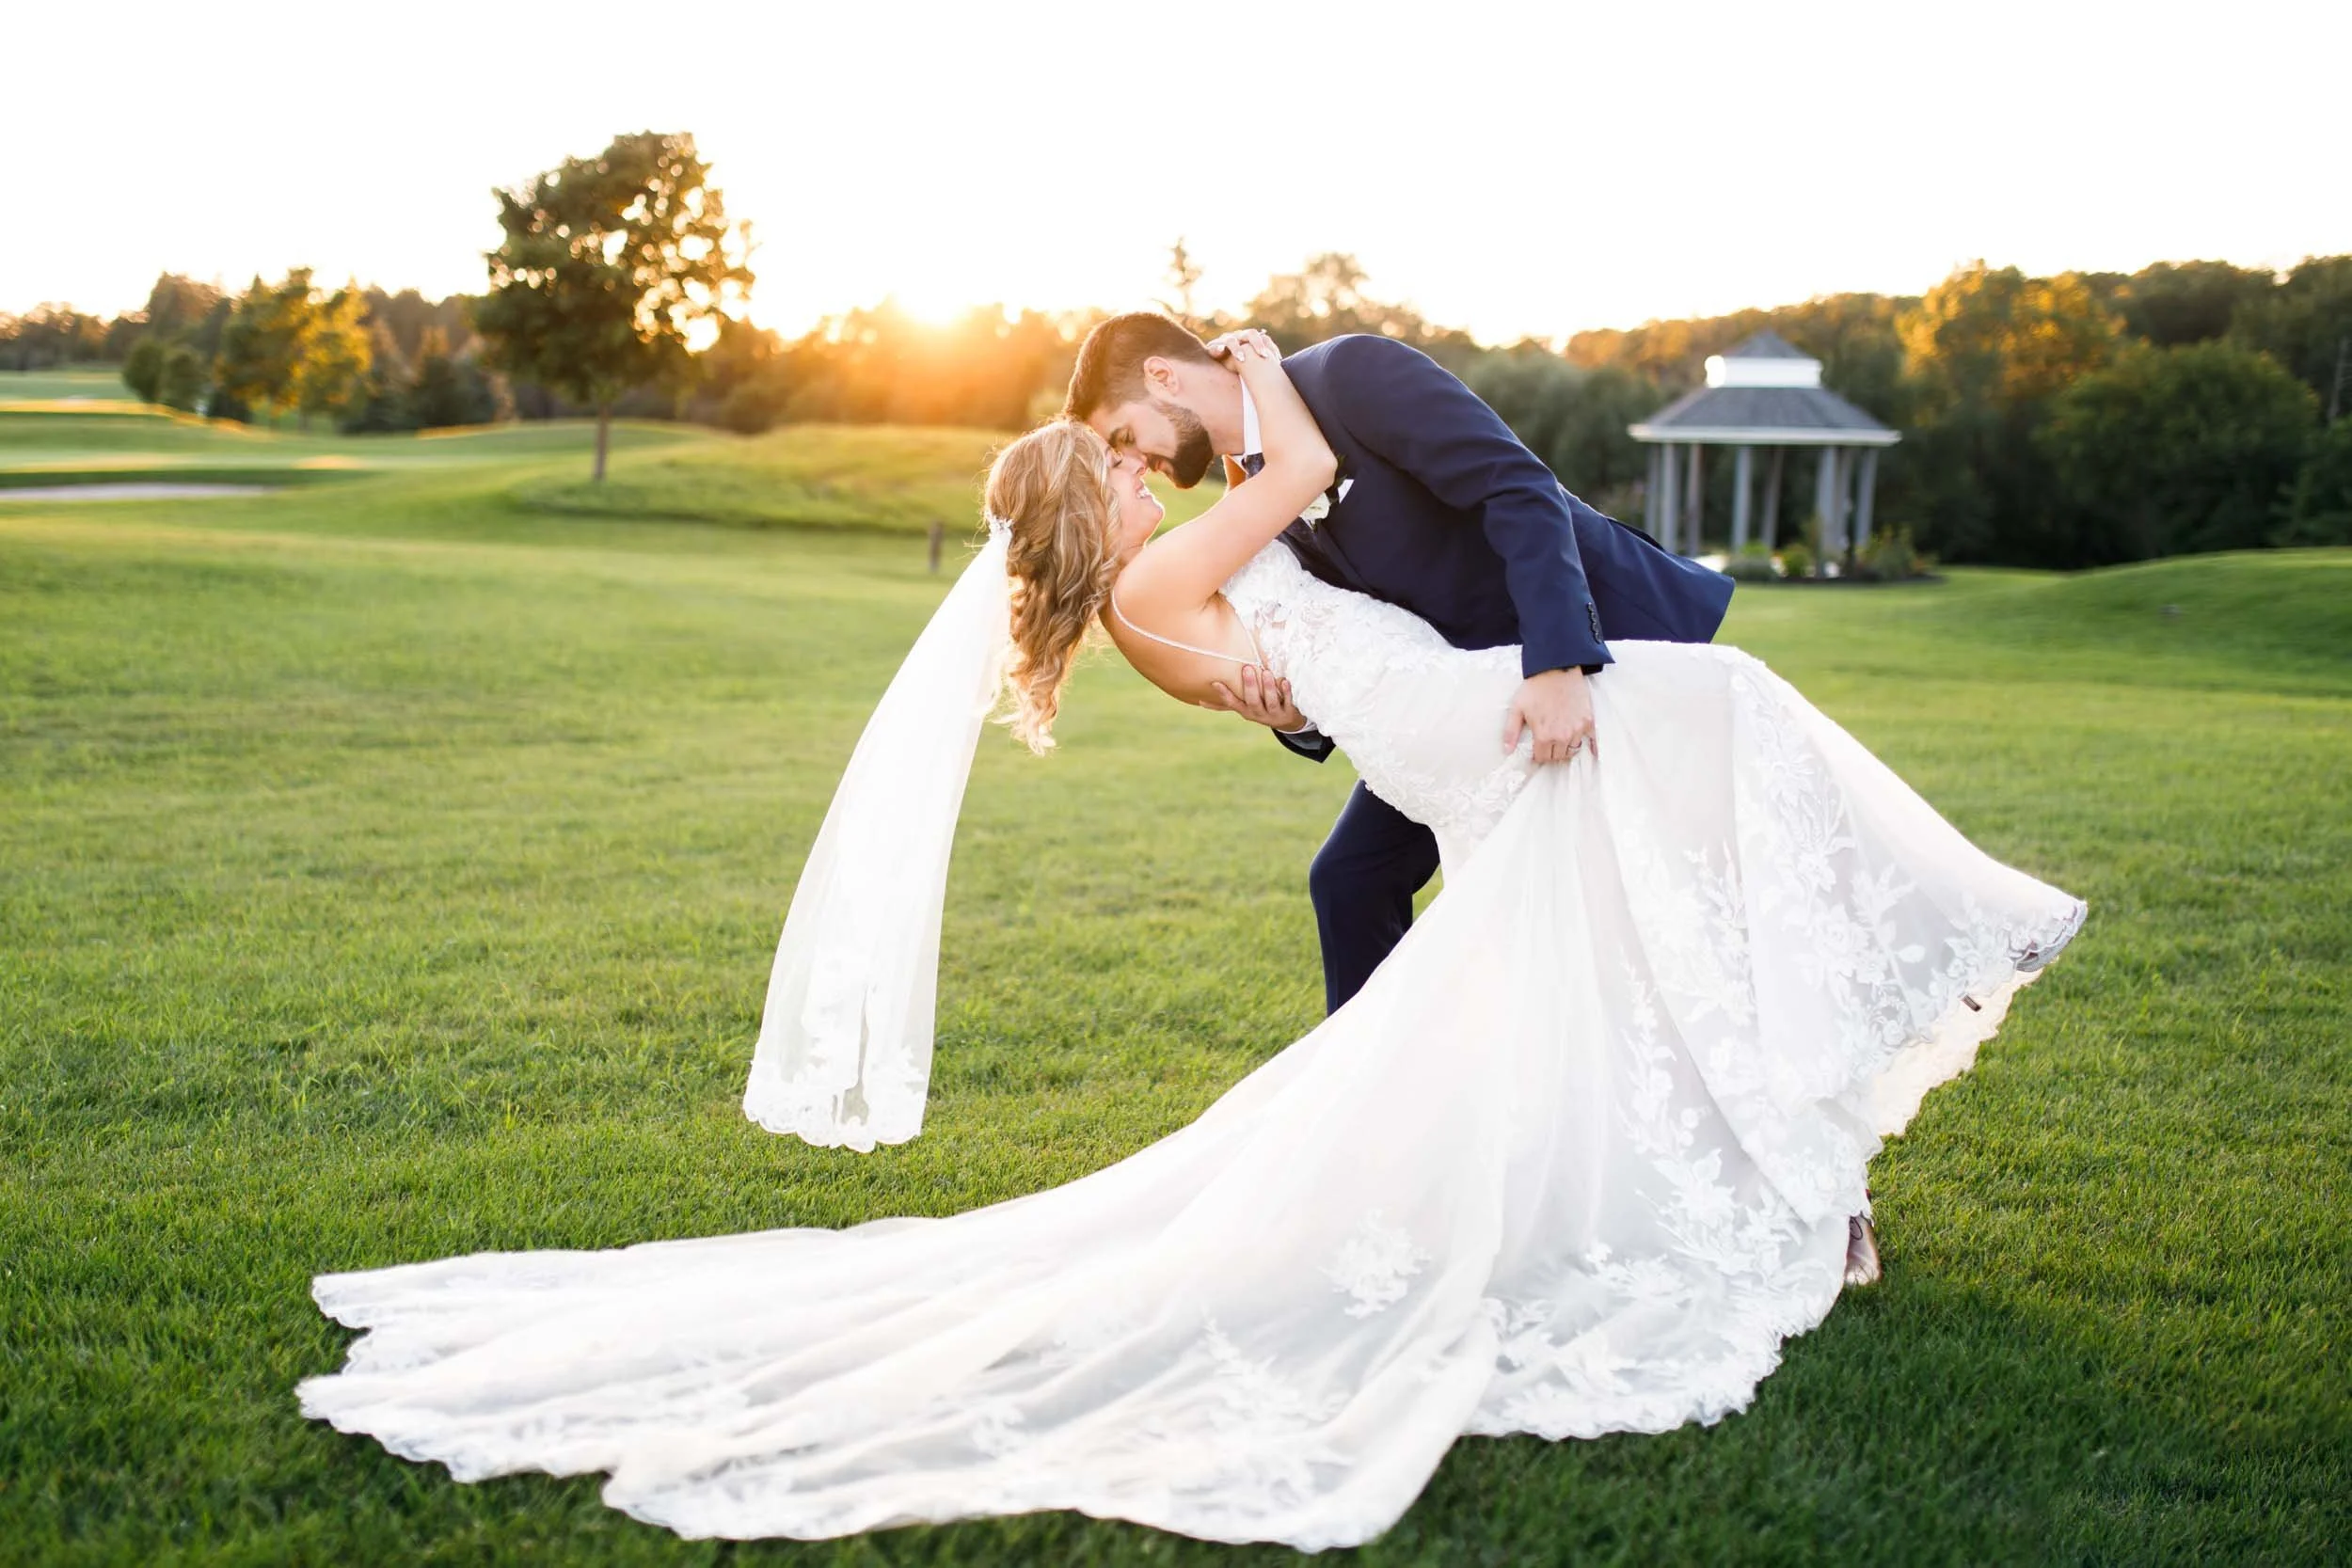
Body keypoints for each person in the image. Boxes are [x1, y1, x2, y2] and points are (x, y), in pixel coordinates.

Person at [299, 332, 2083, 1551]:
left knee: (1690, 840)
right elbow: (1294, 485)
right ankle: (1777, 1093)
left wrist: (1461, 663)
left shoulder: (1180, 580)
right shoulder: (1217, 509)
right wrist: (1244, 378)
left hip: (1517, 680)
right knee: (1740, 770)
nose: (1150, 473)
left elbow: (1413, 563)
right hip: (1474, 725)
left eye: (1139, 450)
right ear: (1112, 494)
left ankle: (1711, 1139)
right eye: (1131, 468)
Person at [1065, 312, 1734, 1018]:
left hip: (1598, 638)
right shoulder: (1262, 483)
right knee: (1351, 879)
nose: (1139, 463)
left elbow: (1518, 487)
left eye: (1125, 437)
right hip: (1458, 696)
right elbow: (1318, 633)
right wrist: (1289, 718)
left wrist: (1559, 663)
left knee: (1659, 877)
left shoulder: (1349, 375)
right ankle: (1377, 1101)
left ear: (1163, 377)